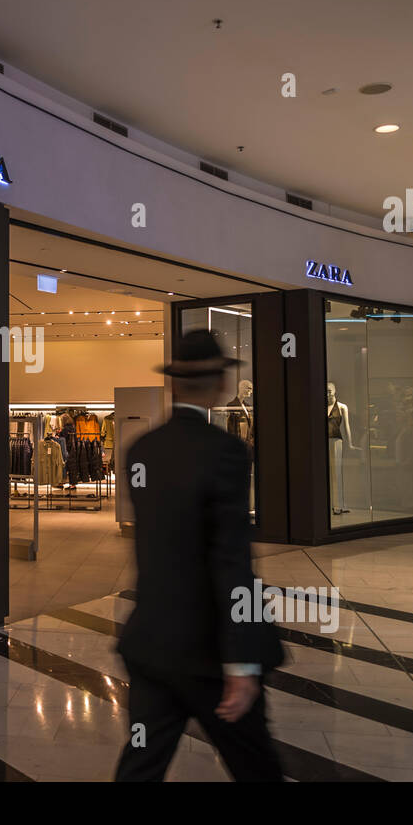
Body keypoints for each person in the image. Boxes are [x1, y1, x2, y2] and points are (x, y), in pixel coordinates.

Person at [115, 330, 284, 782]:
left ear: (172, 385)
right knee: (256, 766)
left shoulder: (142, 449)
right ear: (220, 386)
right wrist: (242, 661)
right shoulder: (225, 452)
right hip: (208, 651)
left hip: (151, 643)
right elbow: (231, 561)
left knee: (140, 765)